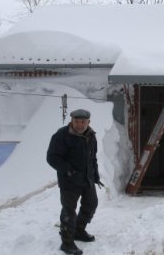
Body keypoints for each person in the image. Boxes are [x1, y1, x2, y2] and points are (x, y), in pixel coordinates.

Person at [47, 109, 103, 255]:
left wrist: (95, 175)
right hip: (69, 181)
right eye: (76, 121)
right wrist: (68, 170)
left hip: (87, 179)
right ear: (71, 121)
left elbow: (92, 158)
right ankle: (67, 242)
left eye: (83, 121)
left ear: (88, 122)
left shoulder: (91, 136)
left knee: (91, 204)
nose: (80, 124)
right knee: (69, 210)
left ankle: (79, 230)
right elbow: (52, 157)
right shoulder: (62, 136)